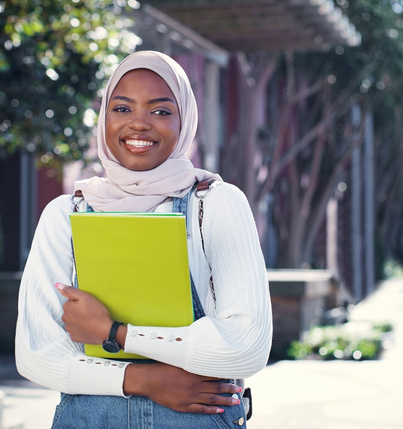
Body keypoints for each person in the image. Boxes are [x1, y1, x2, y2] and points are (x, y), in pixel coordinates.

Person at [15, 50, 272, 428]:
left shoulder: (216, 205)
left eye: (161, 111)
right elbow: (36, 356)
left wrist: (113, 333)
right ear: (103, 118)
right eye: (121, 109)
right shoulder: (65, 215)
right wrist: (145, 380)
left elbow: (245, 348)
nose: (139, 124)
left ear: (185, 121)